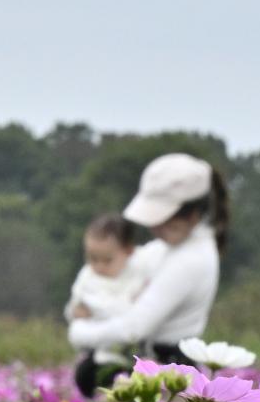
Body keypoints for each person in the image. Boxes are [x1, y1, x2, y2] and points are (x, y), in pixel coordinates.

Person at [68, 153, 227, 385]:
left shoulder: (192, 259)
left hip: (170, 367)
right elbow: (120, 272)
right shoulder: (166, 248)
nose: (154, 227)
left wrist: (79, 332)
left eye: (163, 221)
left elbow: (134, 328)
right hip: (149, 359)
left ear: (192, 215)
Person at [65, 213, 166, 397]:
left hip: (136, 349)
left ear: (128, 251)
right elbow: (75, 305)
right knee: (86, 376)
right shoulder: (88, 276)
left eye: (107, 260)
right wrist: (76, 310)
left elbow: (145, 308)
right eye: (92, 258)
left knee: (140, 380)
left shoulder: (138, 270)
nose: (99, 266)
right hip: (100, 349)